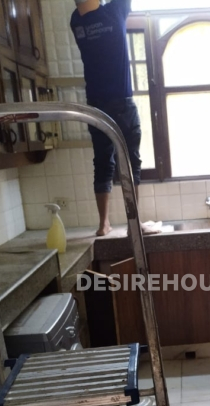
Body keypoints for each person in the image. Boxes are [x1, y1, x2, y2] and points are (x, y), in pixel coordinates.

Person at [71, 0, 142, 236]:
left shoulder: (76, 21)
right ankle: (133, 225)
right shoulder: (115, 10)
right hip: (121, 103)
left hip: (96, 107)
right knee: (131, 163)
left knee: (103, 163)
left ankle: (103, 224)